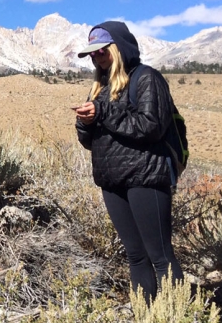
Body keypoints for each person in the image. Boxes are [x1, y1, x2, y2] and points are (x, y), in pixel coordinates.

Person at [73, 21, 184, 301]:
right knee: (135, 256)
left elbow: (151, 126)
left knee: (160, 256)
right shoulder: (100, 86)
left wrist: (102, 112)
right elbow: (90, 142)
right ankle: (145, 314)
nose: (96, 58)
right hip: (112, 181)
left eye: (101, 51)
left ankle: (178, 314)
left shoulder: (146, 78)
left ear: (118, 48)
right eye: (92, 54)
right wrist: (85, 122)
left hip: (146, 176)